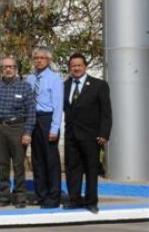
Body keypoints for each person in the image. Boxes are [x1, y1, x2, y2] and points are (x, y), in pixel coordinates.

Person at [62, 53, 111, 213]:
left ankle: (91, 201)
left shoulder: (99, 85)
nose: (76, 68)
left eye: (79, 65)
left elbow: (106, 112)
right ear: (69, 68)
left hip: (91, 136)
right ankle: (74, 199)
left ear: (85, 66)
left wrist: (104, 134)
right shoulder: (66, 85)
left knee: (91, 170)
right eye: (73, 66)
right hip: (71, 136)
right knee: (72, 170)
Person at [0, 56, 34, 208]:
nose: (8, 69)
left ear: (16, 69)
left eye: (11, 66)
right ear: (1, 70)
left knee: (19, 165)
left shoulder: (24, 87)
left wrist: (27, 132)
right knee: (2, 165)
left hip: (17, 129)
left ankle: (20, 198)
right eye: (5, 67)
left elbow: (31, 112)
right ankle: (4, 197)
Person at [26, 47, 64, 209]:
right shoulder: (29, 78)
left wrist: (54, 128)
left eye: (42, 58)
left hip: (47, 119)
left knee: (51, 160)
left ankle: (54, 195)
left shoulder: (55, 79)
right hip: (33, 119)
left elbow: (58, 105)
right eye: (36, 58)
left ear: (49, 60)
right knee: (37, 159)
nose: (38, 60)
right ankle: (40, 194)